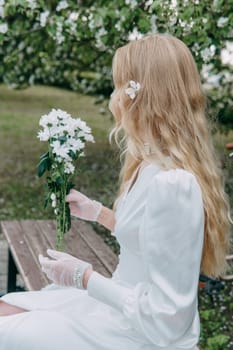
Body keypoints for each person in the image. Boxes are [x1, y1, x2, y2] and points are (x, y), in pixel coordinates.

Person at [0, 33, 231, 350]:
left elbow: (167, 322)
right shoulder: (149, 165)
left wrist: (83, 277)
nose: (115, 97)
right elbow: (146, 238)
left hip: (137, 331)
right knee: (6, 308)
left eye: (120, 85)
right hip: (116, 302)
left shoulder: (173, 184)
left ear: (143, 96)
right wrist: (99, 213)